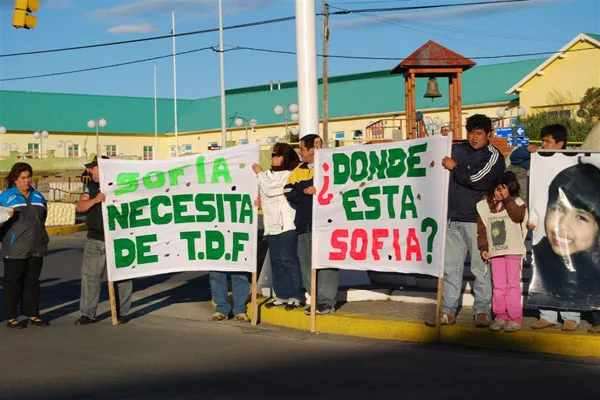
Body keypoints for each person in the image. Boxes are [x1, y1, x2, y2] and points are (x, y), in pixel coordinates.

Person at [426, 114, 505, 327]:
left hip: (479, 222)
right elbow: (436, 155)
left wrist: (455, 167)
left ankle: (482, 310)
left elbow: (476, 180)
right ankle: (448, 310)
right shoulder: (459, 149)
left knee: (481, 268)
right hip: (452, 218)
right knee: (451, 268)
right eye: (471, 132)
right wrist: (441, 139)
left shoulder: (494, 156)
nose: (474, 137)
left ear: (489, 134)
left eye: (479, 133)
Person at [509, 124, 582, 330]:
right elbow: (515, 158)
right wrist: (527, 149)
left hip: (566, 225)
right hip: (540, 224)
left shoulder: (573, 160)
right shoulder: (536, 159)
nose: (544, 144)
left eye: (548, 141)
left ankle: (570, 315)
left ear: (561, 143)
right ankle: (547, 314)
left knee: (568, 268)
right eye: (543, 140)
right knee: (543, 269)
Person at [527, 163, 600, 330]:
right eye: (558, 209)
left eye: (581, 217)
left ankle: (571, 316)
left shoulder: (593, 263)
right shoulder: (541, 253)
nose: (563, 225)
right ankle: (548, 315)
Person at [74, 156, 133, 326]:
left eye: (93, 168)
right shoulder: (91, 186)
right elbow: (81, 207)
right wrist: (95, 200)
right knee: (90, 277)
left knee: (122, 277)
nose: (90, 171)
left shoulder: (122, 185)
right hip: (95, 238)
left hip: (119, 238)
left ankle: (122, 312)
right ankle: (87, 313)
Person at [284, 134, 338, 315]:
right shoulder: (298, 170)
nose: (299, 152)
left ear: (312, 149)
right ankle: (314, 299)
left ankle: (326, 301)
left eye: (302, 148)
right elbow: (288, 190)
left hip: (325, 224)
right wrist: (304, 192)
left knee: (326, 263)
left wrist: (313, 188)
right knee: (306, 263)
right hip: (303, 223)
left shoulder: (328, 167)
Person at [253, 143, 305, 310]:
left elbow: (270, 189)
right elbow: (263, 193)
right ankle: (281, 294)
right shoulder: (267, 174)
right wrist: (259, 202)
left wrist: (259, 174)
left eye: (277, 154)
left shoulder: (289, 174)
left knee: (288, 260)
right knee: (276, 261)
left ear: (285, 157)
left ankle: (295, 295)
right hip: (271, 225)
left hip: (287, 224)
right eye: (273, 154)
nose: (273, 158)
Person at [477, 171, 528, 332]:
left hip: (513, 249)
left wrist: (507, 199)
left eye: (503, 190)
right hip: (495, 251)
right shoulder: (485, 206)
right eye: (497, 189)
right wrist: (484, 247)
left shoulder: (518, 203)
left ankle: (515, 318)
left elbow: (517, 217)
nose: (498, 193)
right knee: (498, 286)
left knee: (513, 284)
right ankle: (500, 316)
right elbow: (482, 229)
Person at [0, 162, 49, 329]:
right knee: (12, 282)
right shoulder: (6, 197)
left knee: (32, 282)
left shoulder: (39, 196)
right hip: (15, 248)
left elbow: (43, 218)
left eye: (29, 177)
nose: (27, 181)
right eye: (23, 178)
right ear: (15, 179)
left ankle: (33, 314)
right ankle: (12, 317)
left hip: (37, 247)